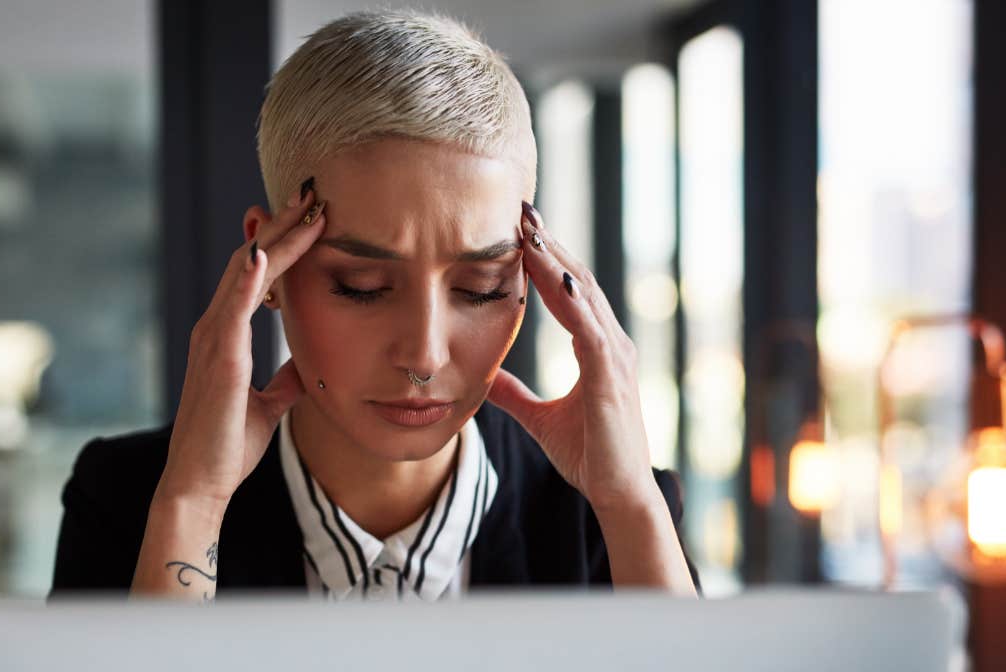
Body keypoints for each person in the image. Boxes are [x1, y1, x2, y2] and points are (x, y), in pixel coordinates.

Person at [51, 10, 700, 602]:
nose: (424, 355)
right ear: (267, 269)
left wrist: (630, 507)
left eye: (481, 286)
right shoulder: (128, 502)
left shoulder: (605, 518)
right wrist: (193, 504)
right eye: (362, 284)